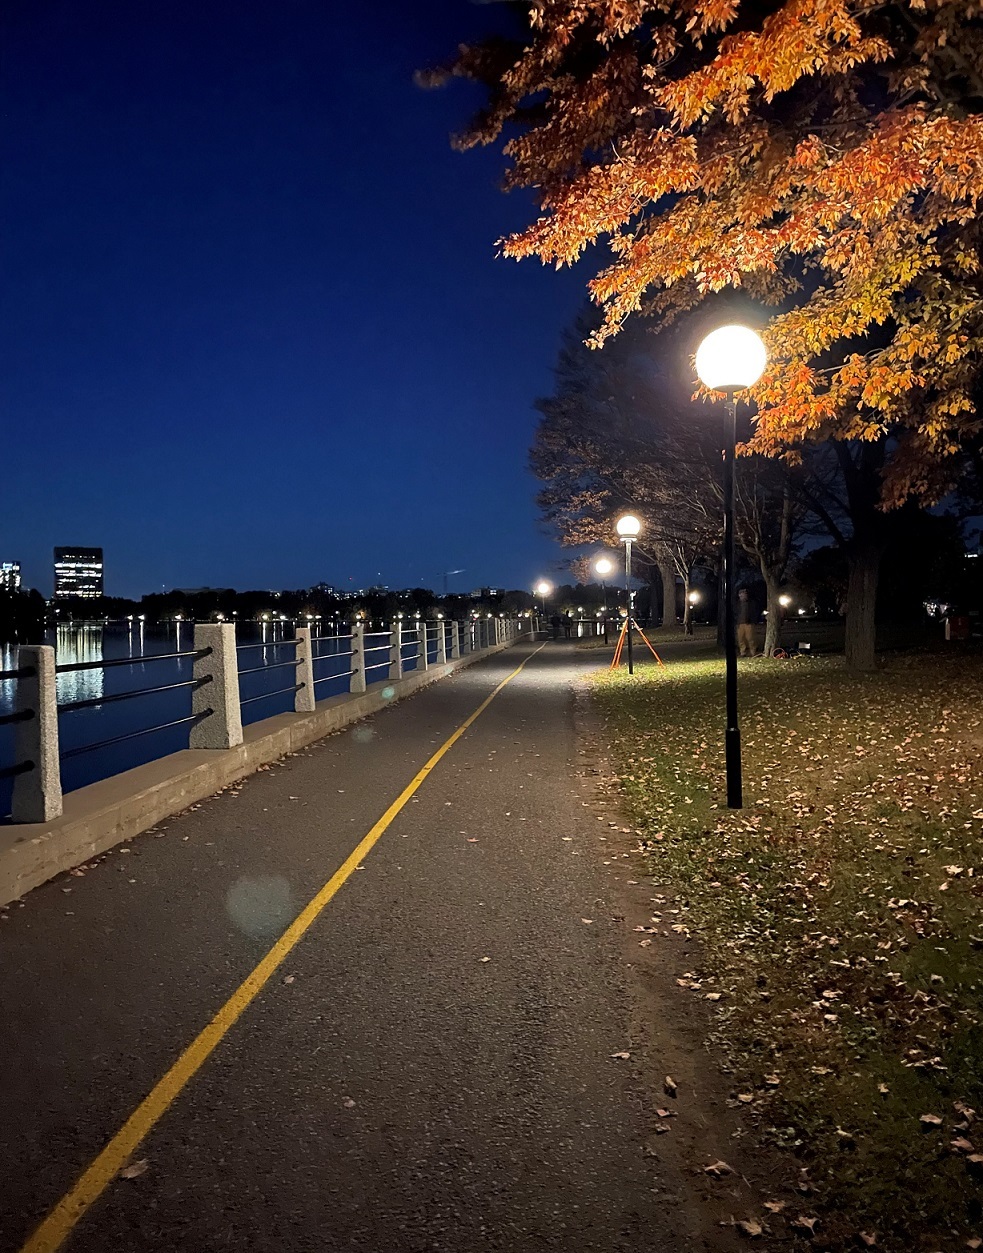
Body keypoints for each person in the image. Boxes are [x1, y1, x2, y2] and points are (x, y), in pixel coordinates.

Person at [737, 588, 755, 656]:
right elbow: (735, 613)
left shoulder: (750, 603)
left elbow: (754, 612)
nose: (742, 596)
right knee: (740, 638)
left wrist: (752, 619)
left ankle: (753, 651)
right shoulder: (737, 604)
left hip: (748, 623)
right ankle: (743, 652)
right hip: (739, 623)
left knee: (750, 638)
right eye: (741, 595)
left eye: (744, 594)